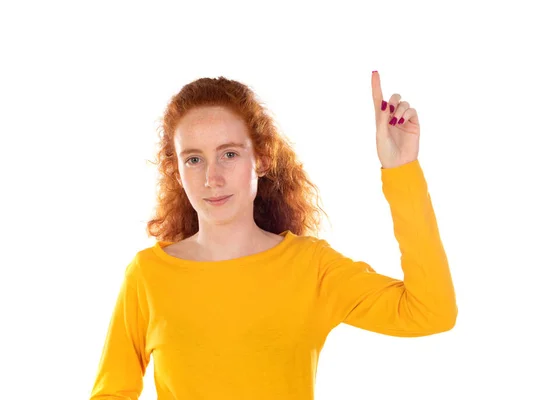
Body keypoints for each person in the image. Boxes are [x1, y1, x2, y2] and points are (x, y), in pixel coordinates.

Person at [89, 72, 457, 400]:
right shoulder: (147, 276)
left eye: (229, 154)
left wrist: (401, 170)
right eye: (193, 159)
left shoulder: (310, 267)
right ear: (176, 169)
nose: (211, 178)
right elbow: (111, 392)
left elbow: (431, 312)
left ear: (261, 159)